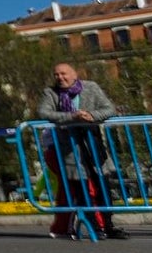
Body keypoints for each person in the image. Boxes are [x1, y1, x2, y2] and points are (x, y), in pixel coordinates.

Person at [36, 62, 127, 240]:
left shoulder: (91, 87)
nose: (60, 78)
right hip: (69, 148)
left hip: (93, 144)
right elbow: (44, 112)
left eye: (64, 74)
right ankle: (94, 227)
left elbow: (109, 108)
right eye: (56, 75)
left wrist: (91, 116)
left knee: (102, 185)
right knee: (82, 188)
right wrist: (72, 117)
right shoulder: (51, 93)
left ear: (74, 74)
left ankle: (108, 224)